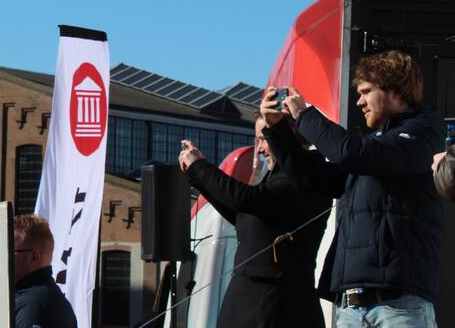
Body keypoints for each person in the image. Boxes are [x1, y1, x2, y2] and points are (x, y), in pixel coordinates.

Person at [262, 50, 443, 328]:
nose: (359, 102)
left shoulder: (421, 135)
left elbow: (350, 153)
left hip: (399, 307)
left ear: (395, 90)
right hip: (351, 307)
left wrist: (305, 115)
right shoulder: (374, 148)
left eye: (366, 91)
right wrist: (276, 131)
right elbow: (318, 178)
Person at [178, 111, 331, 328]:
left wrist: (200, 167)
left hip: (278, 303)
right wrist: (199, 179)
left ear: (286, 135)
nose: (258, 149)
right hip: (254, 299)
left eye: (262, 139)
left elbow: (247, 199)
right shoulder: (276, 178)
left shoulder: (306, 177)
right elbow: (245, 215)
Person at [13, 214, 77, 328]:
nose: (1, 256)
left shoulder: (34, 305)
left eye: (9, 251)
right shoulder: (35, 299)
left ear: (34, 258)